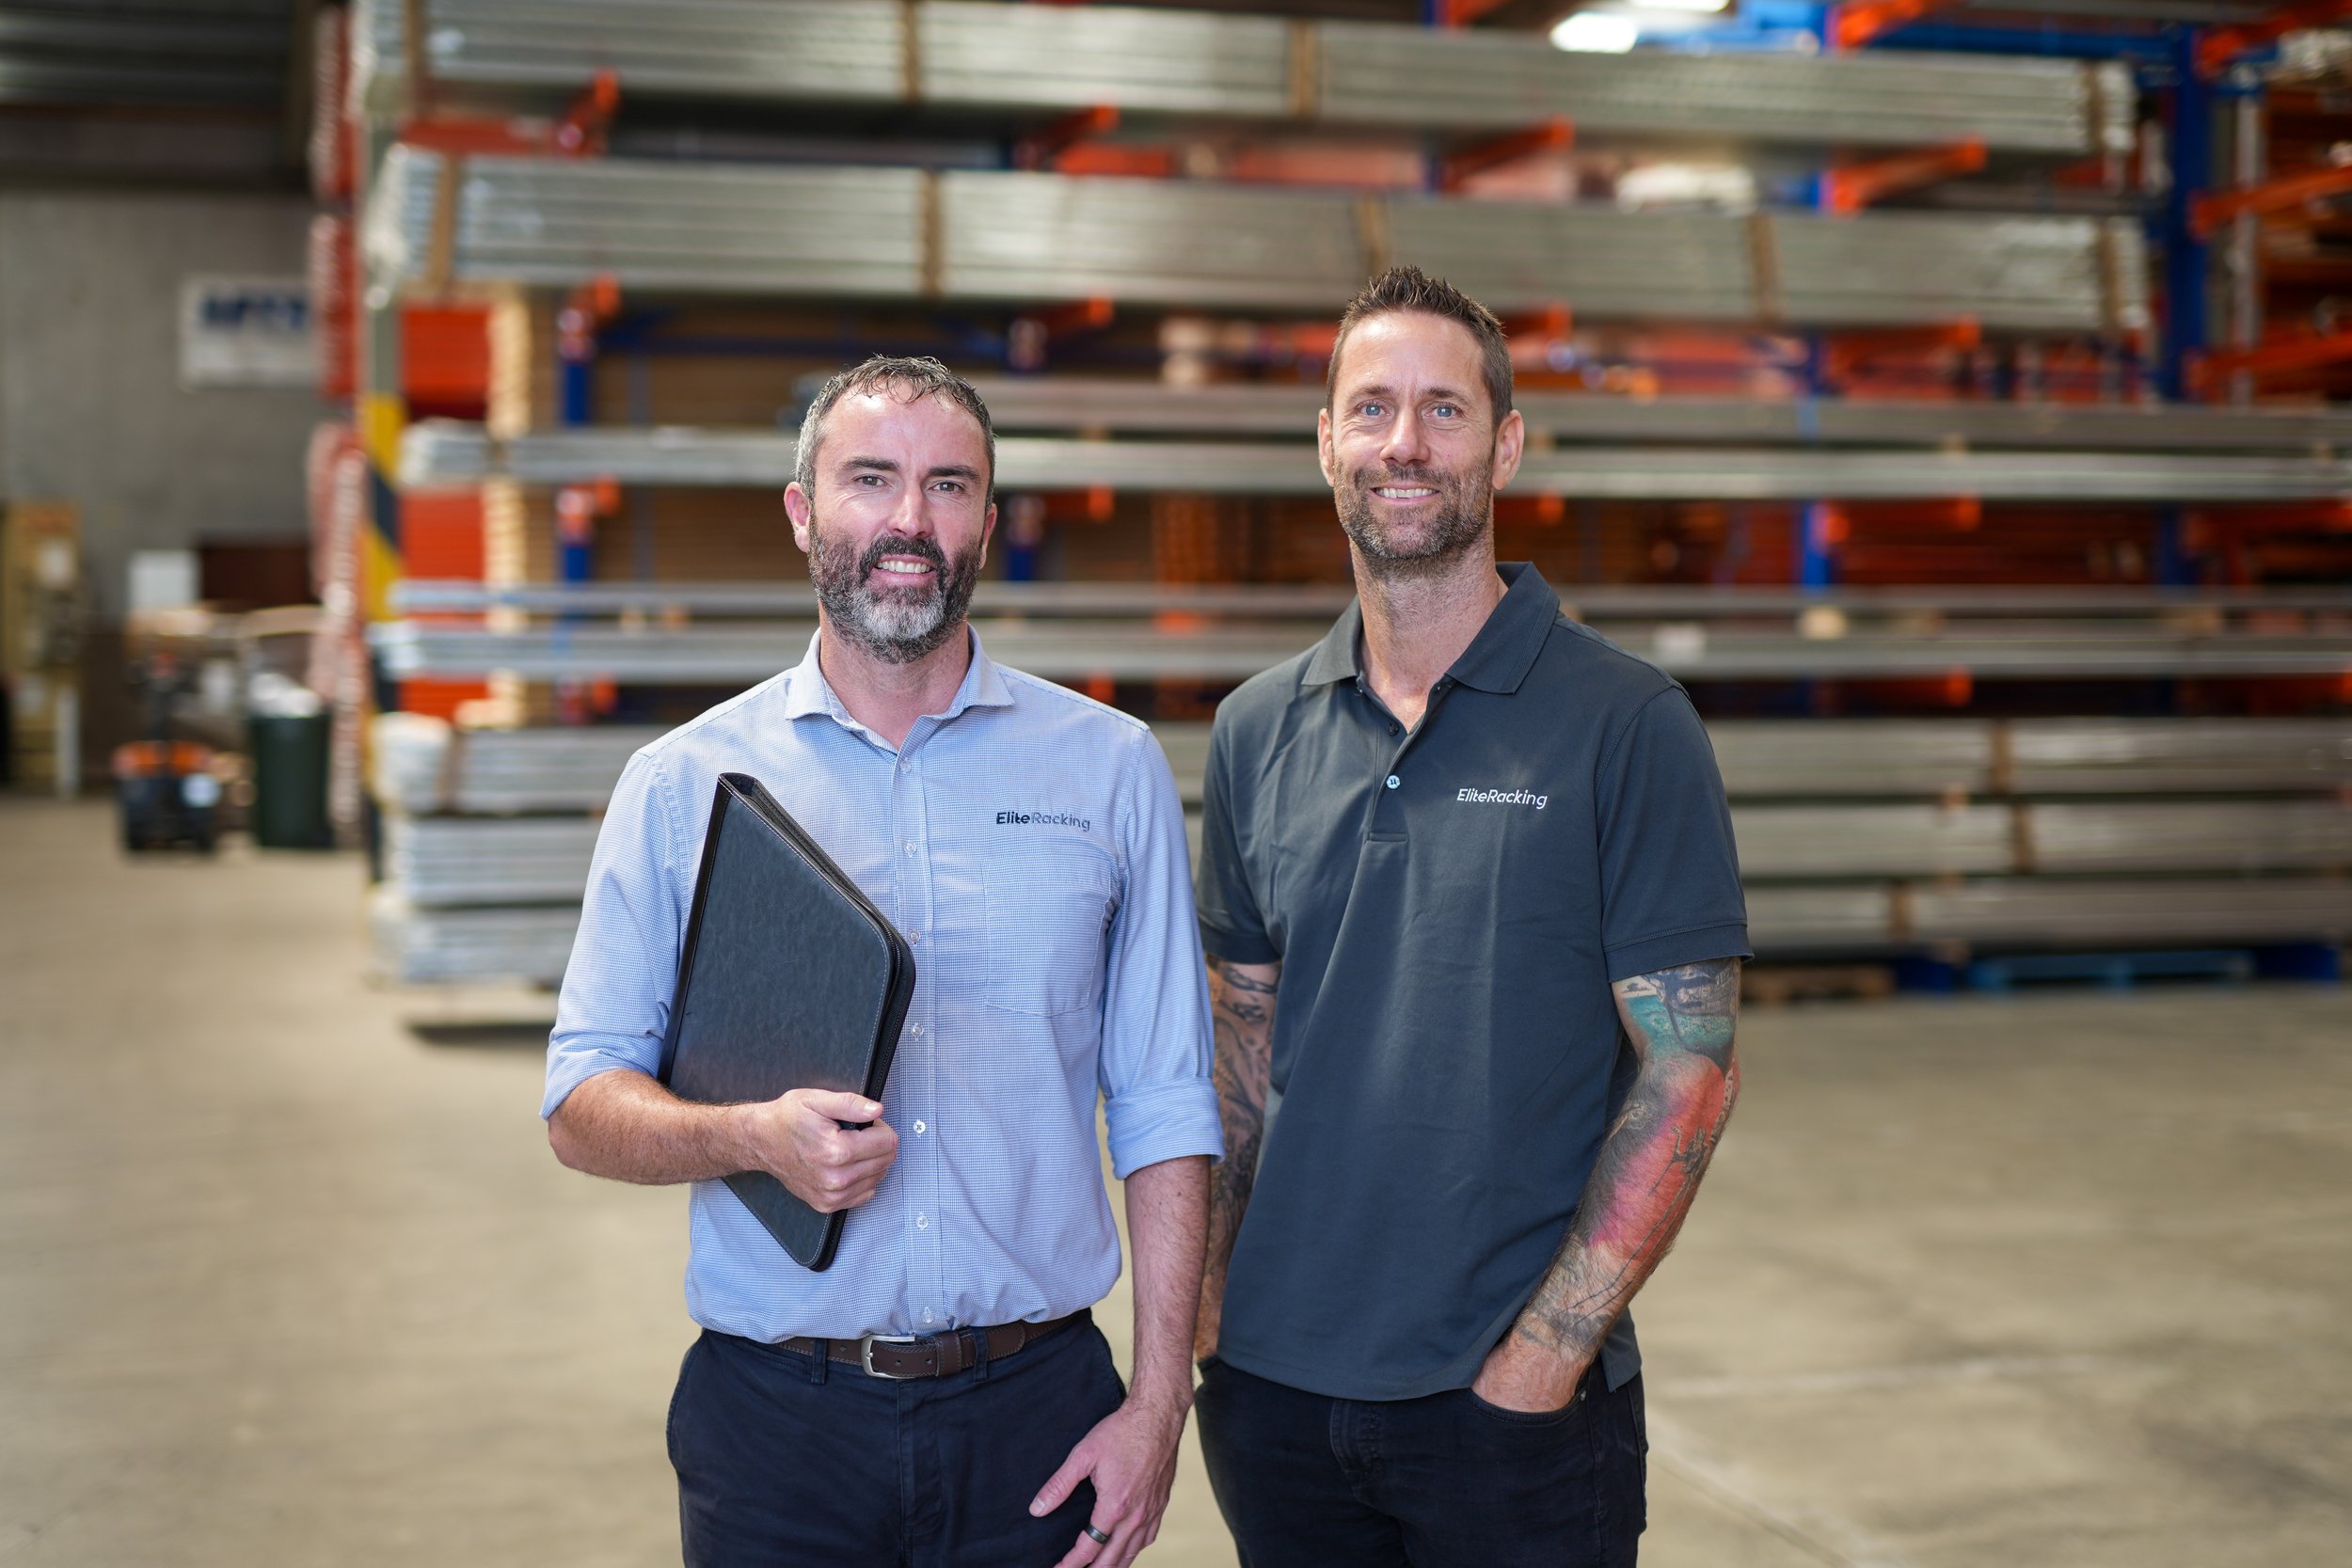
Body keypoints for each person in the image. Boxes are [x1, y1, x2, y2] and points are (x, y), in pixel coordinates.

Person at [543, 356, 1219, 1568]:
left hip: (1038, 1414)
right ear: (804, 511)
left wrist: (1158, 1408)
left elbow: (1168, 1105)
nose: (910, 520)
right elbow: (581, 1103)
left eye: (948, 485)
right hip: (775, 1427)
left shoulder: (1109, 771)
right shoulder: (683, 785)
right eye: (871, 480)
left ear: (990, 524)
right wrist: (748, 1138)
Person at [1189, 267, 1749, 1568]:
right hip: (1275, 1396)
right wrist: (1206, 1317)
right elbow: (1239, 1051)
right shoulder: (1255, 729)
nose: (1403, 443)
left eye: (1444, 411)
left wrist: (1544, 1359)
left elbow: (1690, 1067)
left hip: (1510, 1418)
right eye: (1370, 408)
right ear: (1324, 441)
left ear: (1504, 445)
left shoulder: (1626, 722)